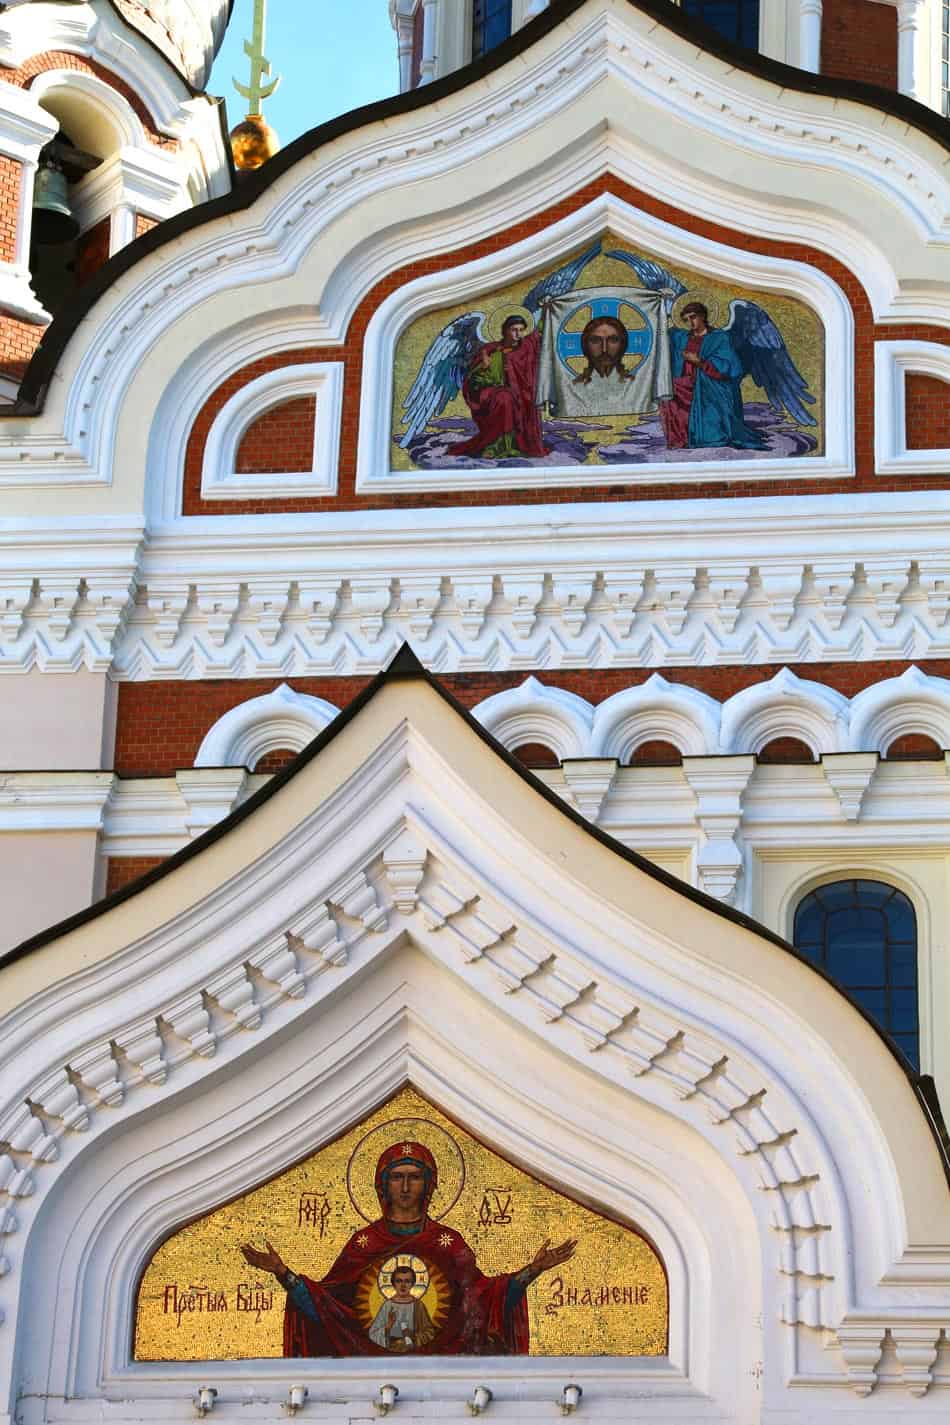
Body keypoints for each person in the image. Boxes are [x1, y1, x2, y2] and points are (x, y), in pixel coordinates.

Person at [241, 1140, 576, 1356]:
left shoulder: (449, 1243)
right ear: (383, 1184)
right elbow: (329, 1309)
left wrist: (534, 1270)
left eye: (413, 1177)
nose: (404, 1186)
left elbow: (486, 1299)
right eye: (396, 1177)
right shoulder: (364, 1244)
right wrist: (282, 1273)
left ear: (428, 1184)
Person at [662, 302, 765, 450]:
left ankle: (706, 434)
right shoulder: (682, 337)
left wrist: (699, 361)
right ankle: (681, 438)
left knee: (699, 393)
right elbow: (665, 334)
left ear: (703, 316)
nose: (690, 322)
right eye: (686, 320)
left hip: (709, 381)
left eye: (693, 317)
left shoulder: (719, 337)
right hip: (686, 381)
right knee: (667, 393)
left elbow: (730, 365)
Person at [454, 314, 548, 459]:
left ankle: (513, 445)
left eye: (521, 330)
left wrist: (548, 309)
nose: (518, 334)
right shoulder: (490, 350)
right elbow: (474, 380)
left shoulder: (526, 347)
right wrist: (483, 367)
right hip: (493, 395)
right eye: (514, 330)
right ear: (505, 330)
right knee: (504, 398)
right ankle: (495, 445)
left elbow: (539, 333)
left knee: (509, 398)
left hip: (521, 395)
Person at [367, 1262, 437, 1352]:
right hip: (390, 1349)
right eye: (399, 1281)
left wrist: (412, 1336)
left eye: (407, 1281)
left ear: (412, 1284)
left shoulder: (418, 1305)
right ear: (393, 1283)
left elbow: (429, 1333)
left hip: (411, 1350)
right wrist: (388, 1327)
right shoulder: (387, 1305)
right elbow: (373, 1334)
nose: (403, 1285)